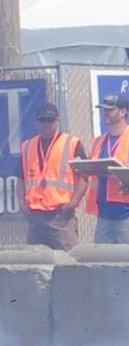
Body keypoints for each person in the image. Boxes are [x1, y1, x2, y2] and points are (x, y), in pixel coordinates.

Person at [71, 93, 129, 249]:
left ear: (123, 112)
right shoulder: (99, 141)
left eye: (110, 109)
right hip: (104, 214)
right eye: (104, 109)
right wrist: (81, 167)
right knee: (104, 265)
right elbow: (92, 173)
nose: (105, 113)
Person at [20, 101, 85, 251]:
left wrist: (73, 203)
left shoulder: (72, 143)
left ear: (57, 121)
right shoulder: (27, 146)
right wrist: (22, 204)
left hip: (61, 216)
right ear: (37, 122)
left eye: (50, 120)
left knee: (69, 264)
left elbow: (85, 176)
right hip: (36, 217)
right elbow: (20, 178)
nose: (46, 124)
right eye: (42, 120)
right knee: (37, 265)